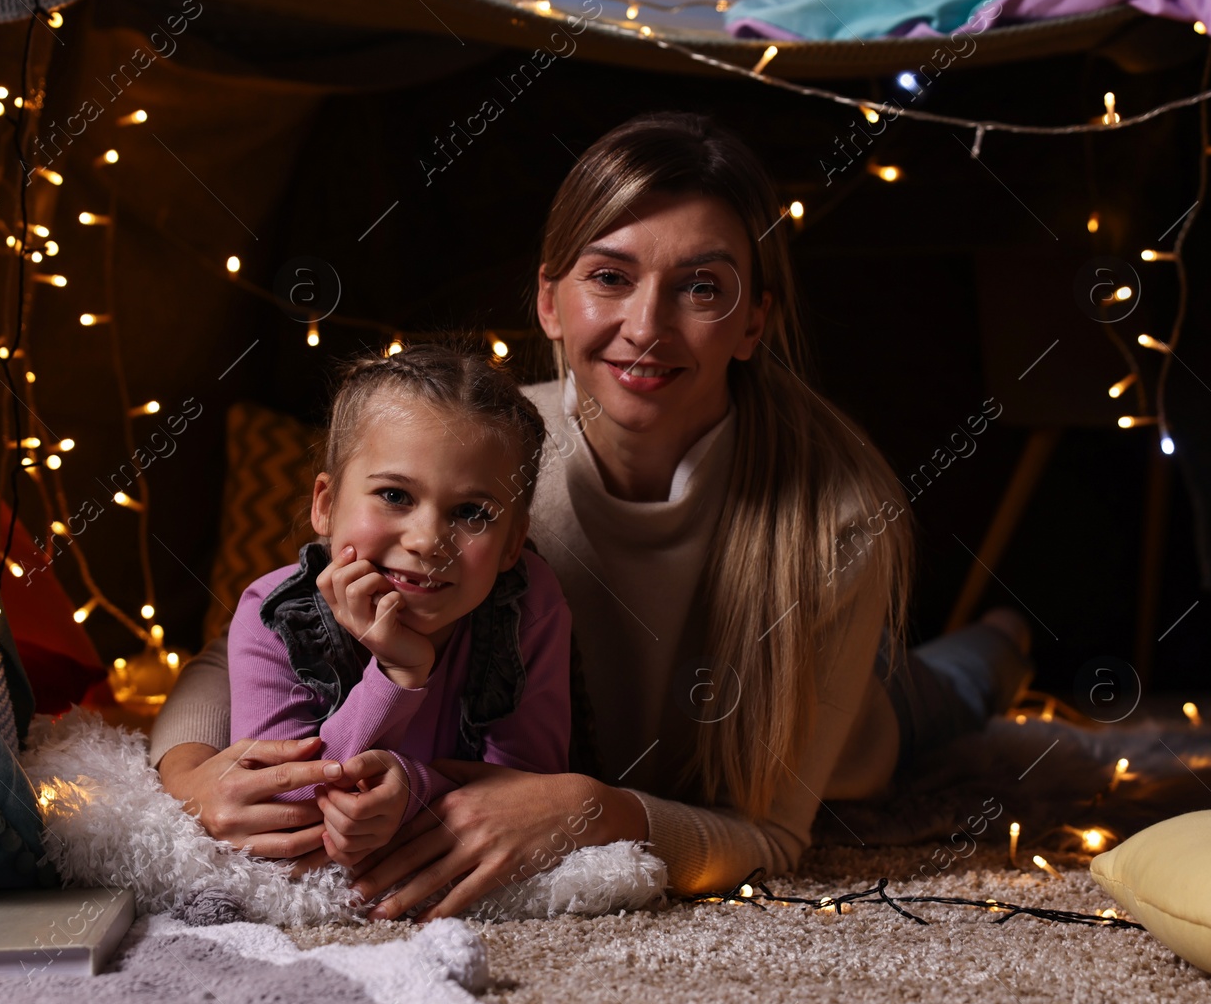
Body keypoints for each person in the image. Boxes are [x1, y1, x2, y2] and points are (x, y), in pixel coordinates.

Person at [151, 111, 1034, 921]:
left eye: (702, 288)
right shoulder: (477, 463)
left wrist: (595, 809)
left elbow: (771, 836)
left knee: (921, 709)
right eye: (610, 276)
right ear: (549, 302)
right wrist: (188, 775)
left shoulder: (836, 518)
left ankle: (995, 648)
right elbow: (252, 638)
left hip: (845, 732)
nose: (645, 326)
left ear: (755, 320)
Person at [225, 345, 572, 870]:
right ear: (325, 504)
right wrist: (399, 672)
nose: (429, 540)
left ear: (510, 544)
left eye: (471, 512)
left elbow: (530, 797)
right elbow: (282, 812)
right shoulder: (273, 619)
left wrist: (410, 788)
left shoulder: (529, 608)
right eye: (394, 496)